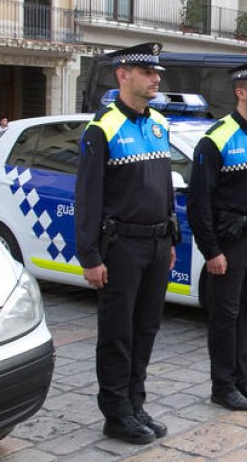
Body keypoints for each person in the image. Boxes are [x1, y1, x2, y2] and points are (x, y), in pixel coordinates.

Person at [73, 42, 177, 444]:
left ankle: (135, 403)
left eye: (156, 74)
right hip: (121, 247)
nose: (155, 80)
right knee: (117, 334)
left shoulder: (158, 124)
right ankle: (116, 413)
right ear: (123, 75)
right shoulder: (102, 128)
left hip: (155, 243)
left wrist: (170, 236)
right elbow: (87, 197)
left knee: (146, 328)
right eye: (147, 73)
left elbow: (165, 187)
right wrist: (90, 255)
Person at [187, 60, 247, 412]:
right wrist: (211, 250)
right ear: (241, 92)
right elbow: (199, 202)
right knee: (225, 315)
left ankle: (242, 379)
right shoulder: (216, 139)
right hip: (230, 241)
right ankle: (222, 385)